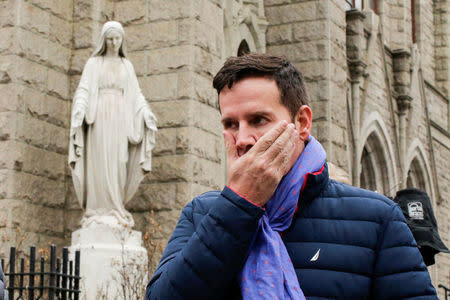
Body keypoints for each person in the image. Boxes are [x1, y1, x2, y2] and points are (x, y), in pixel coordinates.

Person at [146, 54, 437, 299]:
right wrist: (238, 205)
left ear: (302, 123)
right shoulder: (201, 214)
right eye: (231, 124)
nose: (243, 138)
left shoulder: (378, 219)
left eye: (258, 120)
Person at [69, 21, 157, 227]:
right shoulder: (94, 64)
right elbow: (83, 90)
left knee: (118, 162)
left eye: (118, 38)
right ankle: (96, 209)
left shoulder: (126, 66)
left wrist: (145, 113)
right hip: (99, 116)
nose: (114, 42)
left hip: (120, 119)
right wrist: (80, 108)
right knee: (98, 161)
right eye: (110, 38)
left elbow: (136, 96)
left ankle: (115, 206)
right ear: (104, 40)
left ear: (122, 40)